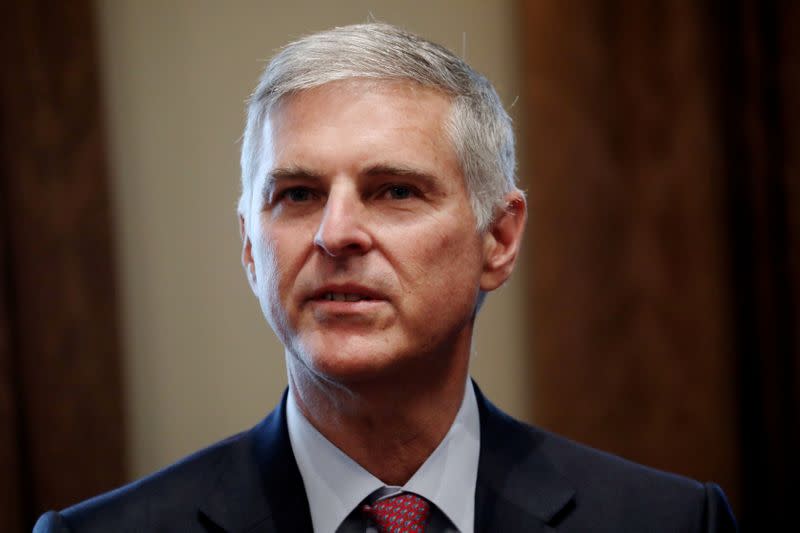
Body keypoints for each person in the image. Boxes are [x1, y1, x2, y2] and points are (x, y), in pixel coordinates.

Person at [34, 23, 737, 533]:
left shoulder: (669, 520)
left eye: (395, 190)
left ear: (498, 237)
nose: (335, 233)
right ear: (250, 247)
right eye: (298, 194)